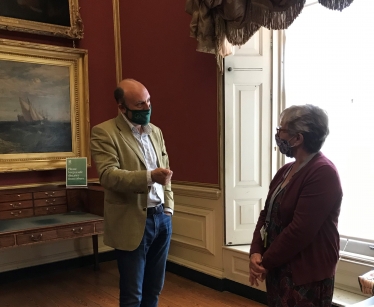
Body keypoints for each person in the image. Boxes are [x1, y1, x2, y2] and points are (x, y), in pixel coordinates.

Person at [90, 78, 174, 307]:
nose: (147, 108)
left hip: (161, 219)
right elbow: (108, 175)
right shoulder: (104, 132)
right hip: (131, 220)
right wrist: (148, 177)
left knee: (154, 289)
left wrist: (168, 209)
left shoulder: (156, 131)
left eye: (148, 102)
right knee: (132, 294)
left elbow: (166, 170)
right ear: (121, 107)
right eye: (139, 105)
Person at [249, 104, 342, 307]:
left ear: (298, 138)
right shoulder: (286, 170)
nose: (278, 134)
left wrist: (265, 262)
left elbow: (300, 231)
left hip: (305, 274)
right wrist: (256, 250)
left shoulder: (323, 173)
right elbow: (267, 214)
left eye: (281, 130)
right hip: (278, 266)